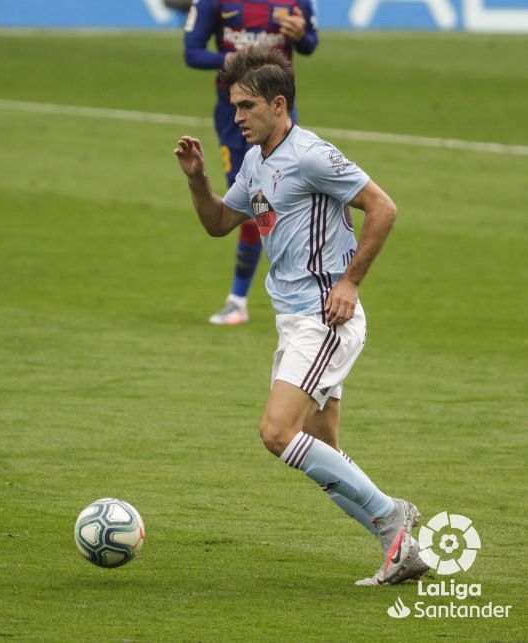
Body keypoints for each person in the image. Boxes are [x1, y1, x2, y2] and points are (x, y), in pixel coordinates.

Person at [174, 46, 429, 585]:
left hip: (325, 316)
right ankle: (403, 550)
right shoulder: (254, 161)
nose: (235, 116)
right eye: (233, 106)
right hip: (293, 321)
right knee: (323, 450)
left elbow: (383, 207)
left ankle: (392, 518)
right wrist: (197, 178)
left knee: (276, 432)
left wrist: (351, 281)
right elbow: (220, 222)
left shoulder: (312, 155)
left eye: (245, 106)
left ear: (279, 103)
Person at [183, 0, 318, 325]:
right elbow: (192, 53)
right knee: (254, 204)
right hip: (235, 118)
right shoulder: (212, 3)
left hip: (278, 113)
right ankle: (241, 299)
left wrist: (301, 35)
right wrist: (231, 59)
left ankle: (267, 293)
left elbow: (310, 43)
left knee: (287, 198)